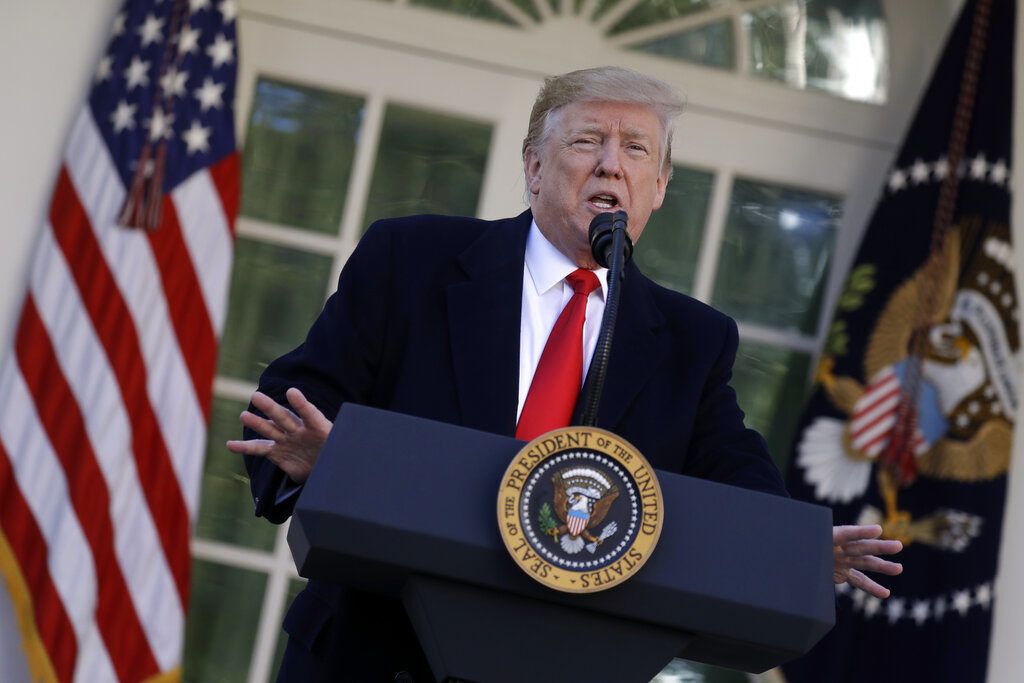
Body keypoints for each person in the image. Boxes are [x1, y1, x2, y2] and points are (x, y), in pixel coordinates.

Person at [227, 66, 902, 681]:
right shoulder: (412, 261)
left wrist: (794, 547)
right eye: (587, 141)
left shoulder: (691, 343)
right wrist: (321, 458)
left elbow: (738, 478)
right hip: (367, 658)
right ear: (535, 167)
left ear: (659, 188)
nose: (611, 163)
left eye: (636, 149)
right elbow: (296, 402)